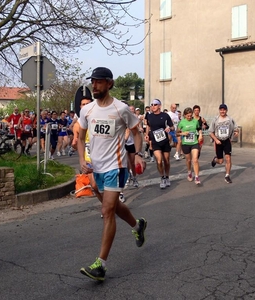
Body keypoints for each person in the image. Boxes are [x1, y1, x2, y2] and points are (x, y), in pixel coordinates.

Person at [77, 67, 147, 281]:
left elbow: (137, 132)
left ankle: (101, 265)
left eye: (99, 82)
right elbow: (80, 138)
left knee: (107, 211)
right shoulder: (86, 110)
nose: (94, 86)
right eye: (93, 82)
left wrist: (137, 153)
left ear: (109, 83)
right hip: (95, 168)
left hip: (116, 167)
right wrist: (81, 160)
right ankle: (138, 225)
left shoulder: (121, 109)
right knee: (113, 206)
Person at [145, 98, 174, 189]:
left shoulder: (165, 115)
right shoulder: (149, 116)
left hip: (164, 140)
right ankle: (162, 177)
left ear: (159, 106)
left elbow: (172, 127)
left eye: (155, 104)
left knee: (166, 161)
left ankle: (167, 176)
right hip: (155, 141)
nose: (153, 106)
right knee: (158, 160)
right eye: (152, 104)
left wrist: (169, 128)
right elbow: (148, 126)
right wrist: (146, 135)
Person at [209, 104, 239, 184]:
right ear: (219, 110)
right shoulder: (215, 119)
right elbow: (210, 132)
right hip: (218, 141)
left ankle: (227, 175)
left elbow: (236, 128)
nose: (222, 111)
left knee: (228, 158)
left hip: (226, 141)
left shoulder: (230, 119)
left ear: (226, 110)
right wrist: (215, 139)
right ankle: (215, 160)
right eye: (221, 110)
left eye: (224, 110)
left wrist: (236, 132)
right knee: (221, 161)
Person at [177, 107, 203, 185]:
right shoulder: (182, 122)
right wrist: (182, 133)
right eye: (188, 116)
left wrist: (200, 135)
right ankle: (189, 172)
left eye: (190, 115)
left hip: (194, 143)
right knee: (188, 160)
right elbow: (177, 133)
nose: (189, 117)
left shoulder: (195, 121)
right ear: (184, 115)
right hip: (185, 144)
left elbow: (199, 129)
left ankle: (197, 177)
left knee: (195, 160)